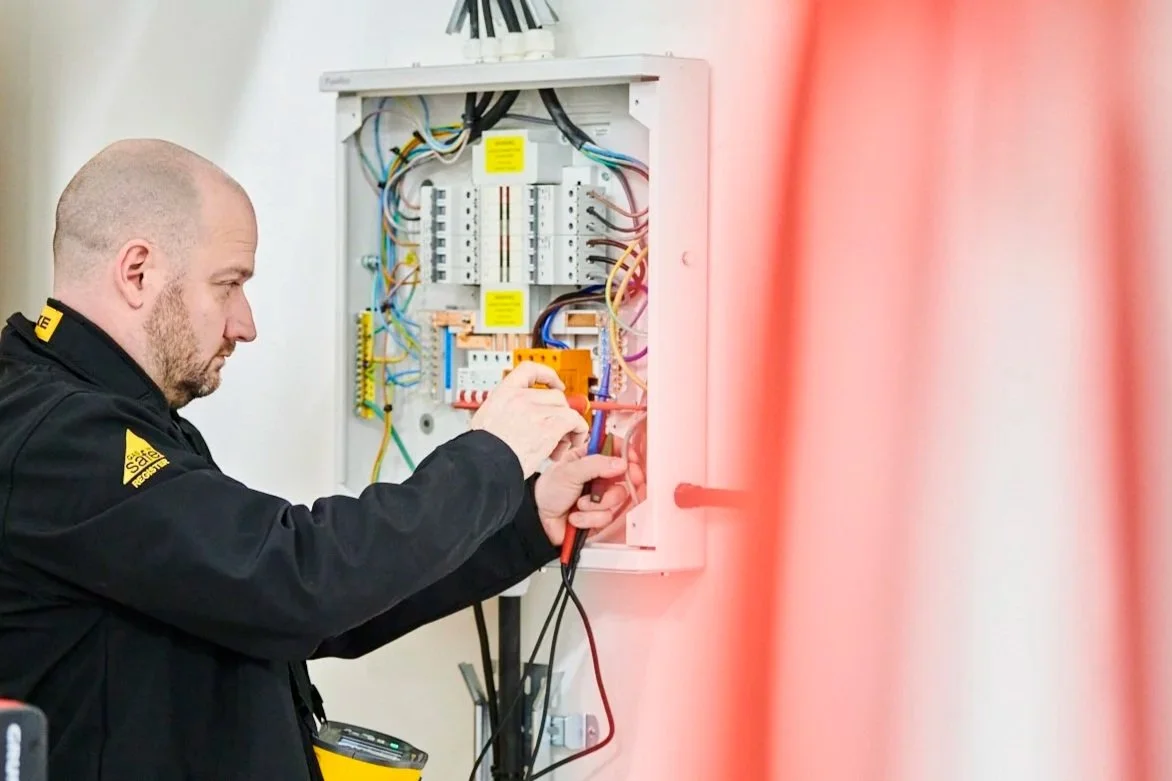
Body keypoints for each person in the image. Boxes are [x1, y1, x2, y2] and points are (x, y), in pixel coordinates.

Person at [0, 139, 635, 780]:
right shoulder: (56, 437)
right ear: (137, 272)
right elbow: (299, 578)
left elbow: (296, 613)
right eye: (229, 285)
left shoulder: (114, 417)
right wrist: (493, 455)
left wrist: (526, 523)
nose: (244, 324)